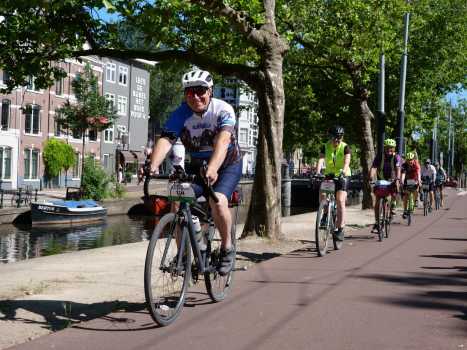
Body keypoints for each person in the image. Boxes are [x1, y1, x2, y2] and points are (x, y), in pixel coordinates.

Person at [146, 69, 242, 276]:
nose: (196, 97)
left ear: (210, 91)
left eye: (200, 91)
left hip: (226, 165)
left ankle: (227, 248)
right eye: (190, 92)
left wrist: (214, 168)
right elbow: (166, 140)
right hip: (198, 165)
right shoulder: (180, 114)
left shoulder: (223, 110)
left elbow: (223, 141)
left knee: (218, 201)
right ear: (185, 95)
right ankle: (183, 255)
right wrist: (152, 165)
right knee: (178, 199)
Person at [316, 125, 351, 241]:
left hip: (343, 175)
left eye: (339, 138)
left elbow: (347, 162)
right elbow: (321, 159)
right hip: (329, 175)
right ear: (331, 137)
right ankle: (325, 214)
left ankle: (340, 229)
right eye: (334, 138)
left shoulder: (345, 147)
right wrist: (317, 172)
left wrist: (343, 172)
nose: (337, 140)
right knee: (323, 194)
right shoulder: (325, 146)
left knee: (340, 200)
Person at [369, 138, 401, 233]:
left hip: (392, 179)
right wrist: (371, 176)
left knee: (395, 191)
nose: (389, 150)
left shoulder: (397, 157)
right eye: (387, 148)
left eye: (391, 148)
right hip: (381, 180)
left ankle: (393, 206)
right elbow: (374, 167)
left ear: (394, 149)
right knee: (378, 202)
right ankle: (377, 222)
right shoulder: (379, 156)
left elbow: (398, 168)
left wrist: (398, 179)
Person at [401, 151, 421, 218]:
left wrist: (419, 180)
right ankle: (405, 211)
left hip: (414, 179)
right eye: (408, 160)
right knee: (406, 196)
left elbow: (418, 174)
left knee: (416, 190)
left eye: (411, 160)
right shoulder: (404, 165)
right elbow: (403, 174)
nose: (410, 161)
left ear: (413, 159)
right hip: (407, 180)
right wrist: (402, 181)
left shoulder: (416, 164)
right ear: (406, 160)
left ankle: (416, 200)